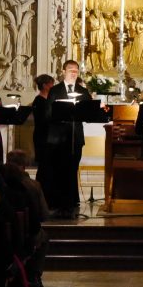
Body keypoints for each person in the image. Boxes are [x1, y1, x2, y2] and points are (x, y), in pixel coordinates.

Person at [42, 60, 92, 217]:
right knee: (60, 169)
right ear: (63, 71)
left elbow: (90, 112)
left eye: (76, 70)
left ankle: (71, 201)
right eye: (70, 70)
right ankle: (59, 202)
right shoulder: (55, 90)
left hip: (75, 136)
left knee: (72, 168)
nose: (74, 73)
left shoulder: (83, 92)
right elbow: (48, 114)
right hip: (58, 137)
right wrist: (64, 110)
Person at [30, 74, 56, 170]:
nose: (53, 87)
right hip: (42, 136)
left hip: (48, 135)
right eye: (51, 84)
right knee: (44, 165)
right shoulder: (39, 101)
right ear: (45, 86)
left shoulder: (48, 100)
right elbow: (43, 119)